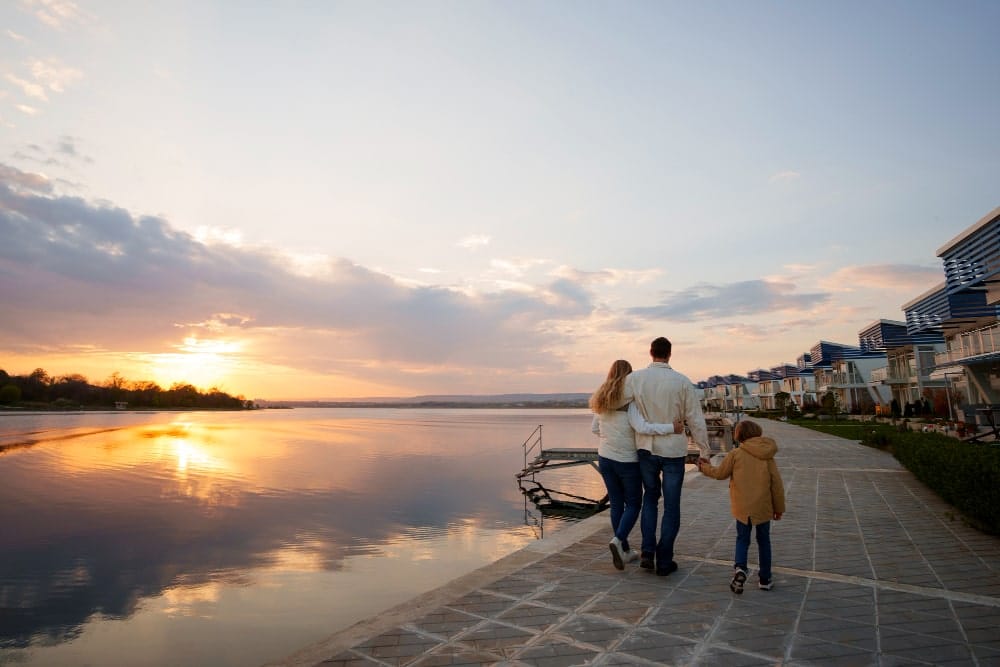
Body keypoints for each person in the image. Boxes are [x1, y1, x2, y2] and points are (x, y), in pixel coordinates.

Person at [625, 336, 709, 576]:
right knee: (672, 506)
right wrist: (704, 450)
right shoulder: (682, 382)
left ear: (650, 353)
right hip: (673, 450)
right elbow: (695, 418)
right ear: (669, 354)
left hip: (646, 449)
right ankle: (664, 560)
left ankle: (647, 552)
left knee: (650, 498)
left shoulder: (635, 379)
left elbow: (619, 405)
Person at [590, 359, 684, 571]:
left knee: (616, 503)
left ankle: (624, 549)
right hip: (626, 460)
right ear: (630, 376)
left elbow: (595, 428)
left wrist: (610, 439)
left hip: (605, 458)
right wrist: (671, 427)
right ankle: (618, 540)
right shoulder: (631, 401)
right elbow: (643, 427)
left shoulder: (602, 398)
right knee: (634, 504)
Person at [697, 419, 786, 593]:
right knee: (764, 541)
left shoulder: (736, 454)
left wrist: (704, 467)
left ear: (739, 435)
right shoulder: (768, 455)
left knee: (742, 540)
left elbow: (720, 473)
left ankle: (740, 569)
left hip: (743, 508)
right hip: (764, 507)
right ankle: (765, 579)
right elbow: (776, 483)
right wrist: (779, 508)